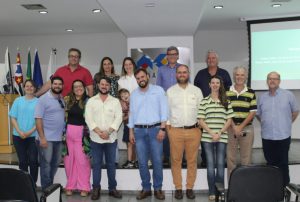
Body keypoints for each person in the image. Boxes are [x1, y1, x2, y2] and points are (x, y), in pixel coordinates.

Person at [129, 68, 168, 200]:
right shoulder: (134, 94)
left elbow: (164, 111)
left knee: (157, 161)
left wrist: (162, 129)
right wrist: (131, 132)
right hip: (139, 131)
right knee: (142, 162)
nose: (141, 80)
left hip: (155, 130)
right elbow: (132, 114)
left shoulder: (158, 91)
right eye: (138, 78)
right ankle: (146, 188)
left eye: (142, 77)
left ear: (147, 76)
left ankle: (158, 189)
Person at [166, 65, 203, 199]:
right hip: (175, 131)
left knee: (192, 160)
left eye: (184, 72)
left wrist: (199, 128)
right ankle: (178, 188)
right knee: (176, 160)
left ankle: (189, 188)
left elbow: (201, 111)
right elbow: (167, 112)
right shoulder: (170, 91)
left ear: (188, 74)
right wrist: (169, 129)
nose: (182, 74)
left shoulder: (197, 91)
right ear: (176, 75)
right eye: (180, 72)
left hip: (194, 130)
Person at [256, 71, 299, 187]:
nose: (272, 81)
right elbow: (259, 114)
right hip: (267, 137)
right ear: (267, 81)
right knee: (270, 164)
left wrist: (286, 123)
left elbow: (295, 112)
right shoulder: (262, 97)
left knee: (283, 163)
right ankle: (272, 188)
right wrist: (266, 123)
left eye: (275, 79)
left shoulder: (288, 95)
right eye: (270, 78)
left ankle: (284, 188)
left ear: (279, 81)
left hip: (283, 136)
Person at [85, 76, 123, 200]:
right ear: (98, 85)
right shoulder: (91, 101)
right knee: (96, 164)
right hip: (95, 139)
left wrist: (108, 132)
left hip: (111, 139)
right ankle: (96, 188)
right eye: (102, 84)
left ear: (110, 86)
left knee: (111, 164)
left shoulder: (115, 101)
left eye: (107, 84)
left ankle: (112, 188)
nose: (104, 86)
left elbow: (118, 118)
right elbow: (88, 119)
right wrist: (99, 132)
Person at [197, 75, 234, 201]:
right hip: (207, 138)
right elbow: (201, 120)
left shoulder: (226, 101)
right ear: (209, 85)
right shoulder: (204, 101)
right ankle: (212, 192)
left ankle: (220, 192)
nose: (215, 85)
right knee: (210, 166)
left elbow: (229, 119)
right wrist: (212, 133)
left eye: (217, 82)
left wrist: (219, 133)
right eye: (212, 82)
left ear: (220, 85)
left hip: (222, 137)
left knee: (220, 165)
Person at [194, 50, 232, 168]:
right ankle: (206, 160)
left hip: (221, 113)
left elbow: (229, 92)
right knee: (205, 138)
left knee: (221, 142)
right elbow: (195, 93)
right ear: (206, 60)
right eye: (209, 58)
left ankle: (221, 161)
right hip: (205, 112)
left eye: (213, 58)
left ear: (217, 60)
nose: (211, 60)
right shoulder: (200, 74)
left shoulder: (224, 73)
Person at [35, 76, 65, 190]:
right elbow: (38, 119)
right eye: (55, 84)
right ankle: (46, 189)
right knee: (46, 165)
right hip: (46, 139)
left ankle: (50, 186)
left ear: (62, 86)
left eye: (59, 84)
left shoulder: (61, 98)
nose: (57, 86)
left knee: (55, 163)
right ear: (51, 85)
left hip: (58, 139)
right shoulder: (43, 99)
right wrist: (42, 138)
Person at [226, 66, 257, 178]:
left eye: (242, 75)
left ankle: (246, 187)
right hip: (230, 129)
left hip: (247, 129)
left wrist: (240, 127)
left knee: (246, 159)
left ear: (246, 77)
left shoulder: (251, 92)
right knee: (230, 160)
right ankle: (232, 187)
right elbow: (226, 110)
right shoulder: (227, 91)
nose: (239, 77)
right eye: (237, 75)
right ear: (234, 76)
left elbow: (252, 112)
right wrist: (234, 127)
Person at [63, 80, 91, 197]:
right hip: (68, 134)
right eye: (75, 87)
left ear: (84, 88)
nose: (78, 88)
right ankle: (70, 185)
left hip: (82, 135)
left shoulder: (89, 101)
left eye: (80, 86)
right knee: (69, 161)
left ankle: (84, 187)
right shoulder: (68, 100)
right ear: (73, 89)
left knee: (82, 161)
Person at [9, 79, 39, 185]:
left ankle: (32, 183)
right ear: (24, 87)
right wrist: (20, 131)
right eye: (27, 86)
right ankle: (24, 184)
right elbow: (13, 117)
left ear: (35, 88)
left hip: (33, 136)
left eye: (31, 86)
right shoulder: (18, 100)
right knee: (22, 161)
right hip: (18, 136)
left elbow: (39, 120)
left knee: (33, 160)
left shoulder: (39, 102)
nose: (29, 88)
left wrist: (29, 132)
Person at [156, 46, 182, 167]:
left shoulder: (182, 69)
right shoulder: (161, 70)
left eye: (174, 54)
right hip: (166, 105)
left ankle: (181, 156)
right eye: (169, 54)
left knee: (180, 131)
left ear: (177, 55)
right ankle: (166, 157)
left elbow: (186, 85)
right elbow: (159, 89)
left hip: (180, 106)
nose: (172, 56)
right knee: (166, 131)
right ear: (167, 56)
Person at [94, 56, 120, 166]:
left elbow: (119, 92)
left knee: (112, 132)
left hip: (114, 108)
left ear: (112, 65)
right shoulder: (97, 76)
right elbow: (95, 92)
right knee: (100, 131)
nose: (107, 66)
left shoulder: (117, 77)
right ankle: (102, 161)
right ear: (102, 65)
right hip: (100, 107)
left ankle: (114, 160)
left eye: (109, 63)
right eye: (105, 64)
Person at [118, 57, 138, 168]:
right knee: (128, 139)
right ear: (123, 67)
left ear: (133, 65)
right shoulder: (121, 80)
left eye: (130, 64)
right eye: (126, 64)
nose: (128, 66)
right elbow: (121, 96)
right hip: (127, 113)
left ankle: (139, 160)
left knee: (139, 139)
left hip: (140, 113)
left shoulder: (138, 77)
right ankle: (131, 160)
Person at [118, 88, 136, 168]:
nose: (124, 96)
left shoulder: (134, 102)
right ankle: (129, 161)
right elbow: (121, 118)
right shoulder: (121, 106)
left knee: (138, 145)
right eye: (122, 96)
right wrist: (127, 116)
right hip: (127, 126)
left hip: (136, 127)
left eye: (125, 94)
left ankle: (137, 161)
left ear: (129, 94)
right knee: (129, 145)